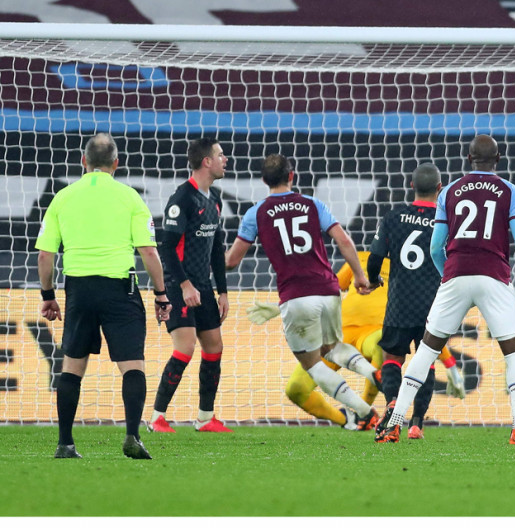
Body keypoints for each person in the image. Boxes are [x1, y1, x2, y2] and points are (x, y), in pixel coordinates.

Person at [375, 135, 515, 444]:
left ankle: (394, 424)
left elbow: (435, 246)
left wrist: (448, 277)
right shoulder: (511, 192)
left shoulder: (450, 191)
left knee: (426, 351)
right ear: (498, 158)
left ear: (468, 158)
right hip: (494, 276)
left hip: (455, 274)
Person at [35, 133, 171, 459]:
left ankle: (65, 443)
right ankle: (132, 437)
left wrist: (48, 295)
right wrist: (161, 294)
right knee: (132, 365)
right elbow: (149, 252)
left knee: (71, 367)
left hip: (78, 288)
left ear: (84, 162)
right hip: (119, 288)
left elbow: (44, 256)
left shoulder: (63, 197)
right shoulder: (130, 197)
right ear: (116, 163)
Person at [224, 154, 381, 430]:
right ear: (292, 176)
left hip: (296, 296)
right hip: (328, 289)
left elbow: (232, 261)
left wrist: (205, 260)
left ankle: (365, 412)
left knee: (312, 364)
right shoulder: (312, 203)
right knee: (332, 349)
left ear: (263, 180)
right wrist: (359, 276)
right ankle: (374, 373)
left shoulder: (256, 213)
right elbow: (343, 239)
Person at [246, 252, 462, 433]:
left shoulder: (409, 269)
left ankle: (366, 409)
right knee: (296, 389)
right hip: (337, 335)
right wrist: (281, 307)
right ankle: (350, 421)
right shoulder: (360, 258)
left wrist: (450, 364)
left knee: (382, 345)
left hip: (375, 333)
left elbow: (423, 323)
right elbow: (327, 286)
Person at [366, 163, 467, 439]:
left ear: (411, 186)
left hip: (399, 302)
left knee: (392, 358)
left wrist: (373, 280)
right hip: (432, 303)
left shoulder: (393, 216)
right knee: (427, 361)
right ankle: (416, 424)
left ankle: (391, 406)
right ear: (439, 188)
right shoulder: (447, 221)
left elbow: (375, 257)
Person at [149, 137, 233, 434]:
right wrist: (184, 285)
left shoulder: (214, 201)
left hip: (204, 287)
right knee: (184, 348)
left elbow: (215, 249)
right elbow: (167, 247)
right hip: (178, 286)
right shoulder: (182, 198)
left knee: (214, 348)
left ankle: (205, 417)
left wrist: (222, 291)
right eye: (221, 155)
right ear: (206, 161)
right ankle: (157, 417)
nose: (226, 159)